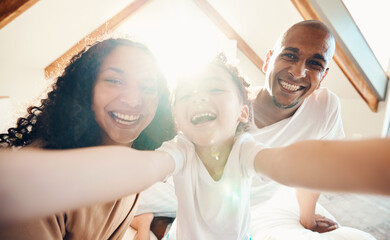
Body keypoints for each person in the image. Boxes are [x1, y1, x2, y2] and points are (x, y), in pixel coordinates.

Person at [1, 54, 390, 238]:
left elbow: (290, 161)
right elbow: (140, 168)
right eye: (186, 94)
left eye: (214, 90)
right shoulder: (180, 150)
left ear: (242, 111)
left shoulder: (247, 149)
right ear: (176, 117)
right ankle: (147, 226)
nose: (198, 99)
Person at [0, 37, 176, 239]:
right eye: (115, 81)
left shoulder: (131, 170)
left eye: (148, 86)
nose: (133, 100)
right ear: (85, 89)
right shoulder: (36, 181)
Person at [248, 20, 375, 239]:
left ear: (323, 76)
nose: (298, 72)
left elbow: (315, 168)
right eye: (290, 55)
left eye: (315, 63)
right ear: (268, 60)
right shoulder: (230, 104)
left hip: (269, 204)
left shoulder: (324, 107)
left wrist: (307, 219)